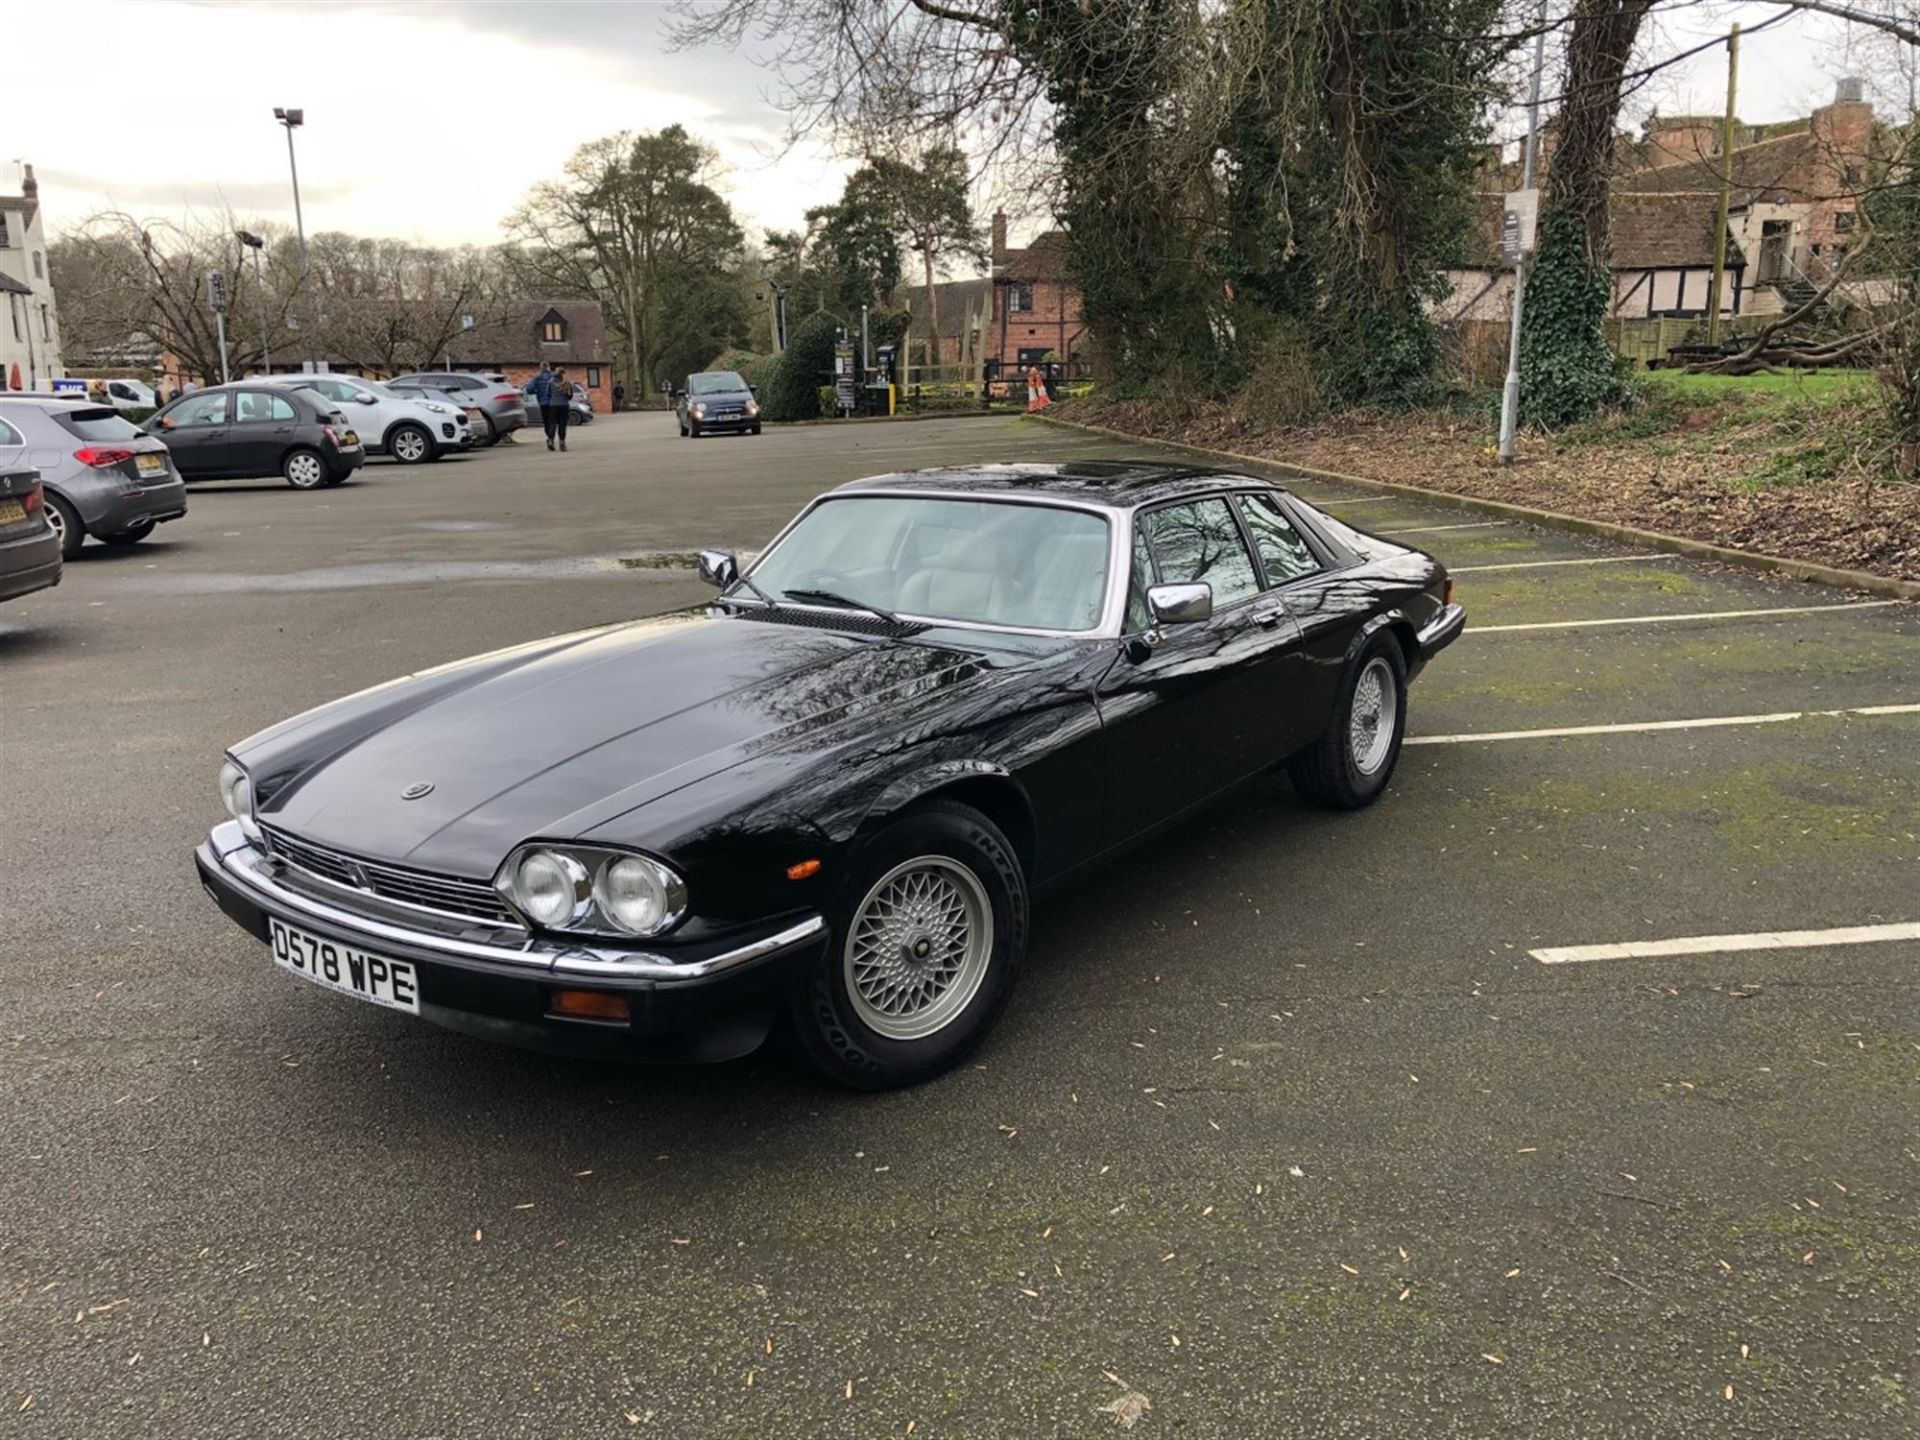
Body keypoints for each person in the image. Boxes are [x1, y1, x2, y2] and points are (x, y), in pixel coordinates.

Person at [545, 365, 572, 452]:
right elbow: (570, 396)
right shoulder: (567, 383)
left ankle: (551, 441)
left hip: (554, 406)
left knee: (552, 424)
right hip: (564, 406)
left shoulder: (550, 382)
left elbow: (547, 394)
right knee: (562, 425)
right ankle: (562, 443)